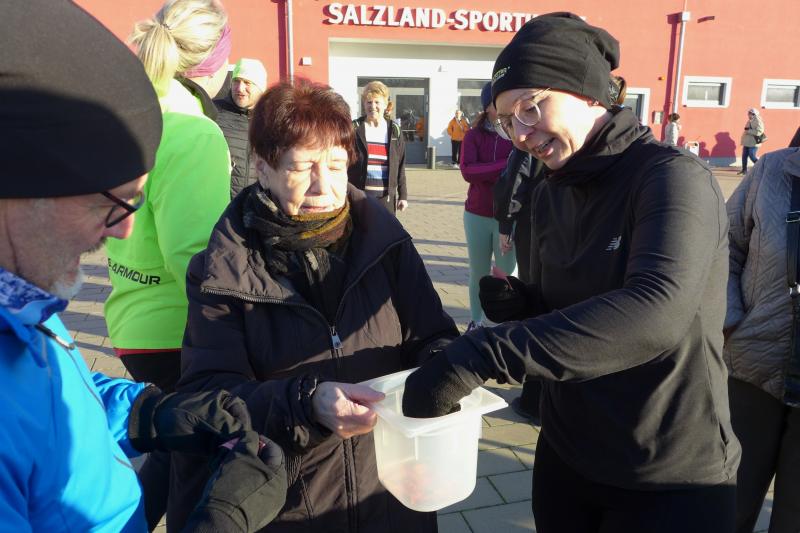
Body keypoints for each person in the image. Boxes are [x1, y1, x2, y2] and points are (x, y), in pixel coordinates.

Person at [402, 13, 739, 533]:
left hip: (666, 470)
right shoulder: (550, 189)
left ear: (587, 91)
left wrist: (483, 354)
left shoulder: (672, 179)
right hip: (567, 455)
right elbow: (572, 305)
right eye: (506, 119)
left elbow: (655, 313)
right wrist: (527, 302)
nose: (519, 134)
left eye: (529, 106)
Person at [0, 1, 286, 531]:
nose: (124, 231)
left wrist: (145, 414)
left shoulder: (24, 304)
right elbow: (194, 254)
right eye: (107, 202)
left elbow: (54, 404)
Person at [168, 79, 459, 532]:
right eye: (303, 167)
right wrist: (305, 404)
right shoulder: (220, 272)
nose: (324, 185)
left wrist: (445, 375)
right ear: (262, 168)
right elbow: (208, 396)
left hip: (393, 493)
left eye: (337, 165)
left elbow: (432, 336)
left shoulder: (387, 245)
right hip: (289, 506)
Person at [105, 0, 234, 526]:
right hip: (176, 330)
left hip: (132, 319)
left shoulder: (133, 111)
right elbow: (196, 257)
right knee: (198, 468)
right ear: (215, 62)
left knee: (168, 455)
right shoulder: (193, 131)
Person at [725, 147, 800, 533]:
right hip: (752, 371)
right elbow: (723, 246)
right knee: (726, 506)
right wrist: (730, 322)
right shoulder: (772, 170)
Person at [491, 147, 546, 423]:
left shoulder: (530, 139)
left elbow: (515, 181)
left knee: (535, 304)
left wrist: (505, 223)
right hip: (567, 226)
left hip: (534, 225)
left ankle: (534, 397)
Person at [461, 82, 516, 332]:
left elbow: (523, 171)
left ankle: (502, 323)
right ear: (488, 107)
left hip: (509, 216)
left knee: (506, 274)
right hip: (477, 215)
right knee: (479, 272)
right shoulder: (473, 136)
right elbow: (468, 172)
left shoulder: (517, 134)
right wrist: (506, 165)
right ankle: (476, 320)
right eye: (497, 101)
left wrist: (490, 170)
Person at [348, 80, 408, 214]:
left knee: (386, 228)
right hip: (359, 198)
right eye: (369, 102)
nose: (372, 106)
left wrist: (403, 196)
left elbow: (401, 166)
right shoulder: (354, 129)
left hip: (386, 199)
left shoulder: (394, 131)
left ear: (385, 104)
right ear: (364, 104)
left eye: (377, 102)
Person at [215, 58, 268, 199]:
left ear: (260, 87)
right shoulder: (214, 112)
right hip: (220, 204)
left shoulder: (271, 120)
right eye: (236, 81)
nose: (239, 88)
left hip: (255, 206)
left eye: (247, 82)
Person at [740, 107, 765, 174]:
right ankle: (744, 170)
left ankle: (761, 168)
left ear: (753, 114)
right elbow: (746, 129)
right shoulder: (750, 120)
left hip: (754, 142)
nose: (748, 114)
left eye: (749, 113)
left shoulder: (758, 120)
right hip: (747, 141)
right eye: (748, 113)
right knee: (744, 156)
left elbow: (759, 131)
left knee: (752, 156)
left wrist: (748, 131)